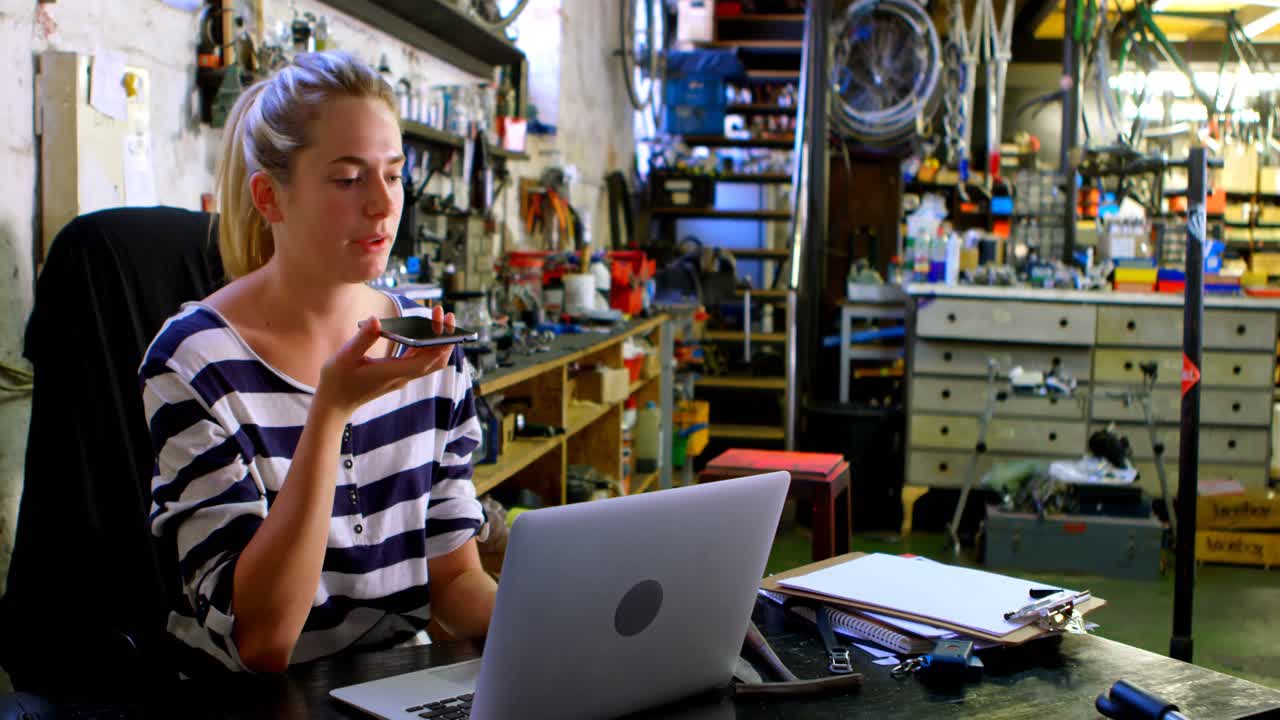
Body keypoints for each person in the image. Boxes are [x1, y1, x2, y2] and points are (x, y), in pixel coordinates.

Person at [140, 50, 497, 675]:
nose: (383, 206)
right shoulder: (196, 362)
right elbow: (263, 641)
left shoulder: (427, 349)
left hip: (394, 686)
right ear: (269, 198)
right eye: (347, 179)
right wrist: (330, 411)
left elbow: (456, 581)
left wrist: (578, 632)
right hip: (246, 700)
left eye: (393, 174)